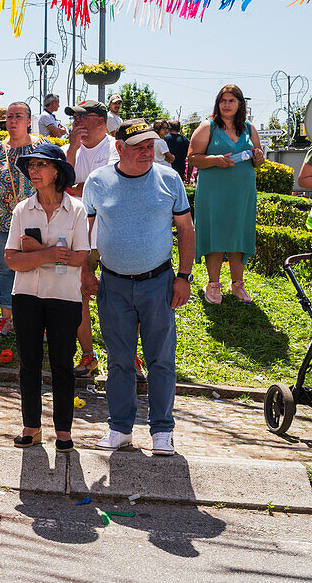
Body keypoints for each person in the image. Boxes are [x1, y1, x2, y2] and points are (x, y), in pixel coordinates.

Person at [82, 119, 195, 456]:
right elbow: (88, 233)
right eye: (139, 147)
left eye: (150, 146)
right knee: (119, 361)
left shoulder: (169, 179)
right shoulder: (98, 181)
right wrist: (85, 274)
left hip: (158, 283)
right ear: (119, 148)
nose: (147, 152)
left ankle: (162, 430)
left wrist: (184, 277)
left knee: (161, 360)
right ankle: (120, 428)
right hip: (112, 285)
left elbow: (187, 231)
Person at [5, 143, 89, 452]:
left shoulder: (76, 209)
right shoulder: (22, 209)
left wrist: (36, 254)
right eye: (30, 166)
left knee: (62, 365)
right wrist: (52, 254)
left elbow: (80, 256)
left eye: (41, 165)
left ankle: (64, 431)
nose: (33, 171)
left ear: (57, 172)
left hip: (65, 296)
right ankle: (32, 427)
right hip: (26, 294)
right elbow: (12, 259)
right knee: (29, 364)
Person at [188, 85, 262, 304]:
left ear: (240, 104)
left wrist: (258, 158)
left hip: (242, 192)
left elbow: (258, 158)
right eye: (223, 100)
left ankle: (237, 284)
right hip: (214, 192)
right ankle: (213, 285)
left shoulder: (249, 128)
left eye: (231, 100)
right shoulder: (207, 126)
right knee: (215, 234)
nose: (227, 104)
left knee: (239, 234)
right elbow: (192, 158)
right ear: (218, 103)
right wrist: (215, 160)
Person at [63, 99, 119, 378]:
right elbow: (61, 184)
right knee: (77, 299)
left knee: (120, 300)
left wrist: (77, 188)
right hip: (77, 238)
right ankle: (88, 355)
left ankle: (128, 358)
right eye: (74, 118)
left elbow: (103, 186)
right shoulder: (67, 149)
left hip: (110, 236)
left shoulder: (115, 148)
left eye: (81, 118)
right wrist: (73, 148)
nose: (76, 122)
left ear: (100, 121)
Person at [0, 101, 40, 335]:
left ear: (28, 121)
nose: (13, 121)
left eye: (18, 116)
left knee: (35, 269)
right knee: (6, 269)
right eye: (9, 117)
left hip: (34, 221)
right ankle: (7, 318)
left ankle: (35, 319)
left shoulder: (41, 146)